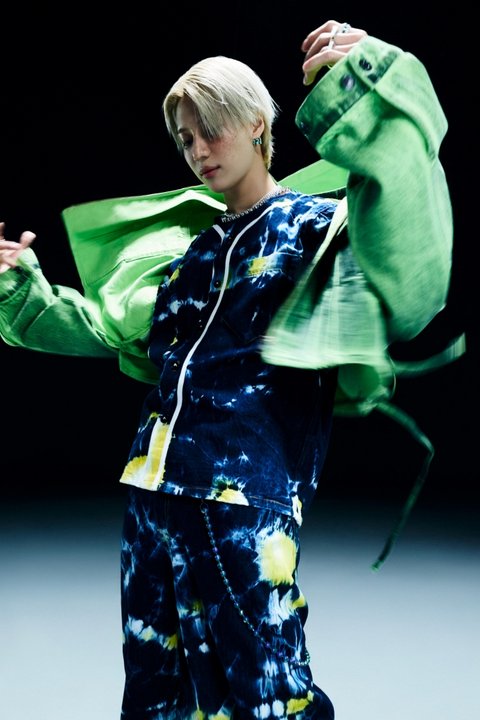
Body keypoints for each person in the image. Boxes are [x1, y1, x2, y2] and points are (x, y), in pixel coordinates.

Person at [0, 18, 455, 720]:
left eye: (210, 128)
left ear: (255, 123)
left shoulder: (317, 229)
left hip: (244, 496)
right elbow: (106, 331)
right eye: (186, 138)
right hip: (152, 492)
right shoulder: (193, 253)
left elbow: (407, 254)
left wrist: (370, 83)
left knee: (271, 692)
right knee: (156, 691)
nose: (198, 150)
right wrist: (18, 286)